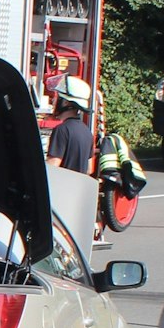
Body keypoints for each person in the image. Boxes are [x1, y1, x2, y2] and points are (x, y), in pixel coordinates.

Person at [45, 75, 104, 246]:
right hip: (74, 200)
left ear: (66, 103)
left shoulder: (62, 130)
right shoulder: (86, 133)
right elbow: (87, 170)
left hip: (59, 200)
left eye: (59, 98)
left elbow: (53, 165)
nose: (56, 101)